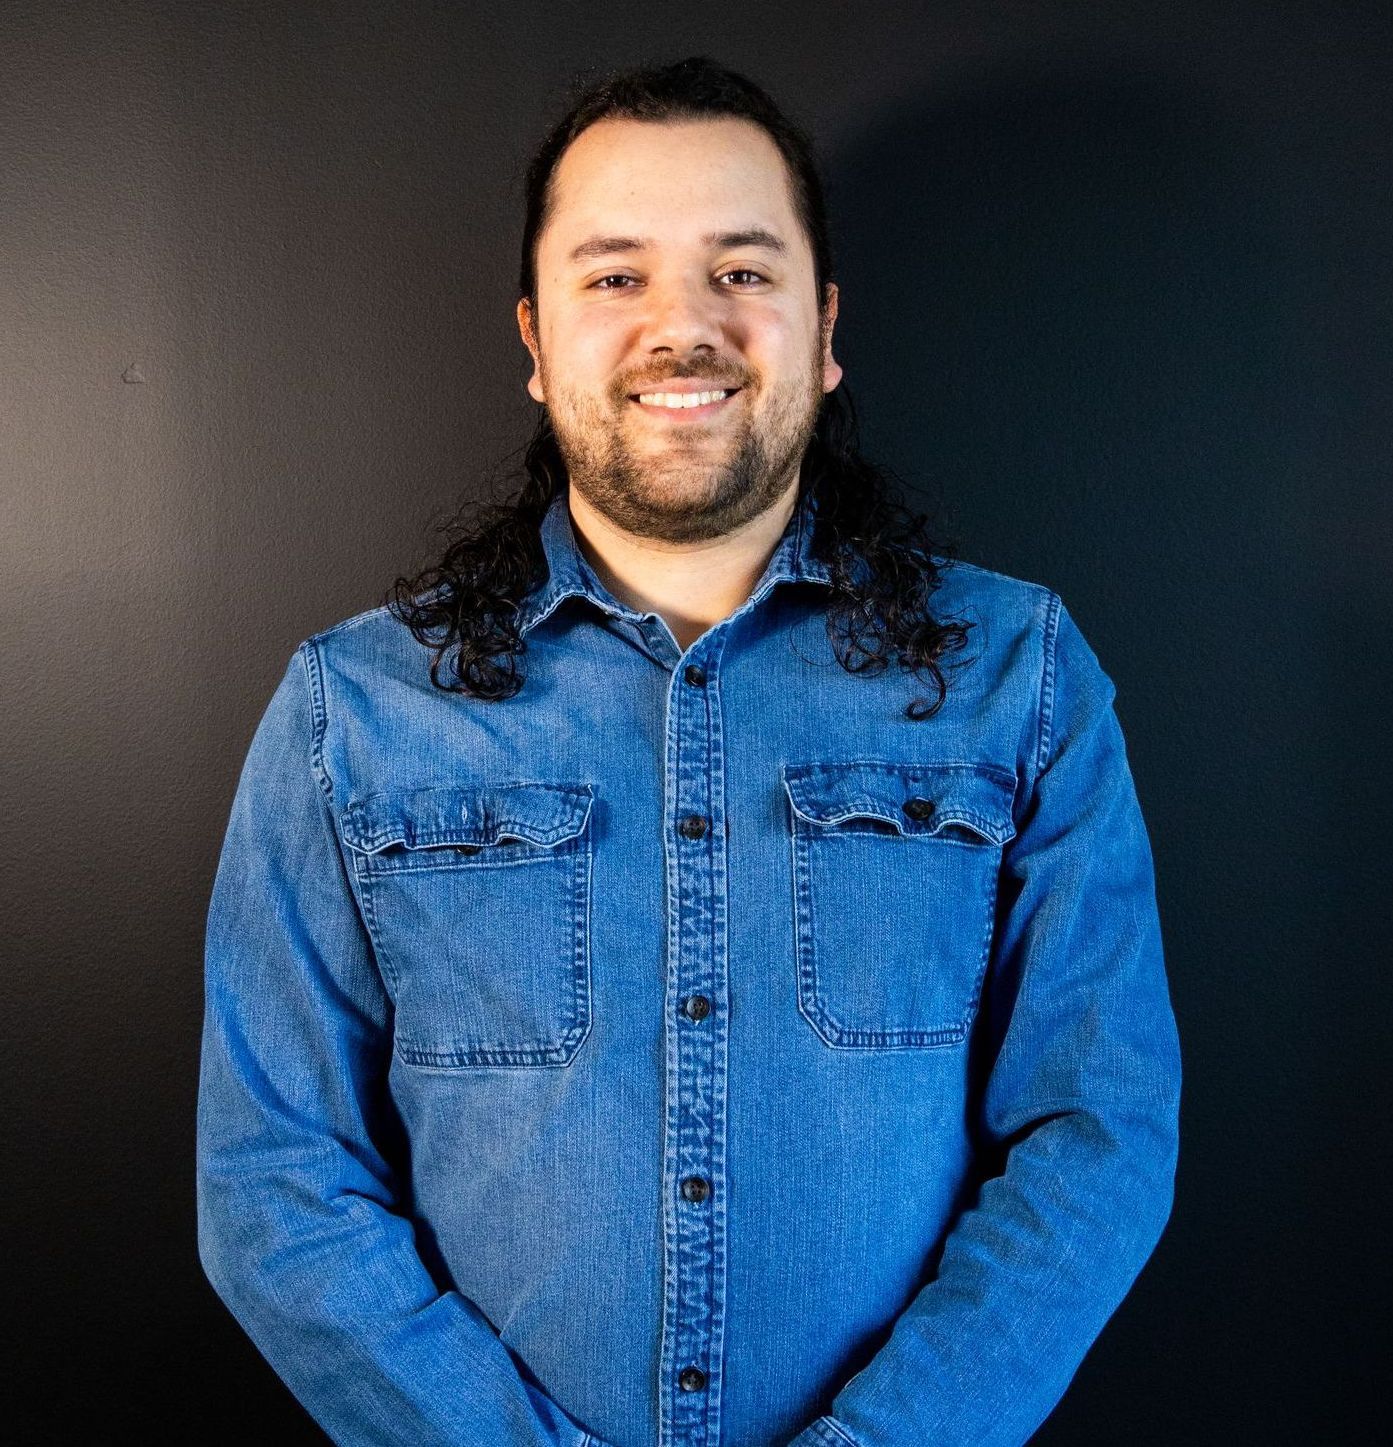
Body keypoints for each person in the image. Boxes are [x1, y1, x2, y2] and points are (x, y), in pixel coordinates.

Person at [196, 55, 1182, 1447]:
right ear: (536, 340)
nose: (683, 327)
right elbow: (273, 1181)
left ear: (822, 328)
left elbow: (1097, 1131)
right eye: (617, 277)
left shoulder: (1018, 676)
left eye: (741, 271)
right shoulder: (348, 710)